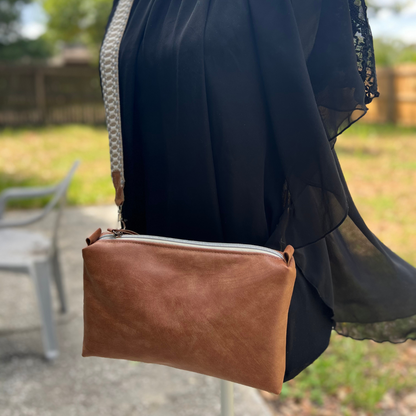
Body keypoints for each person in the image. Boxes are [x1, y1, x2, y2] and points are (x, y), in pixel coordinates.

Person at [99, 0, 416, 382]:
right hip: (158, 211)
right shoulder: (131, 7)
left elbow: (322, 87)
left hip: (248, 209)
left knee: (253, 333)